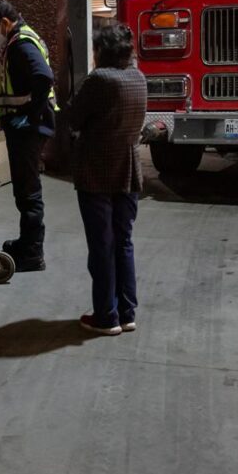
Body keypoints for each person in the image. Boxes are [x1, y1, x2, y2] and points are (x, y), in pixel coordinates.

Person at [66, 23, 147, 335]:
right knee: (123, 241)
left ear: (102, 52)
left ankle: (106, 315)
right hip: (128, 170)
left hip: (96, 171)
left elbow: (73, 115)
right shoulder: (138, 78)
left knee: (102, 245)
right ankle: (126, 312)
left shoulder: (100, 79)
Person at [0, 0, 57, 272]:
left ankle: (33, 254)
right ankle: (27, 243)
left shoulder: (21, 44)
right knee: (25, 190)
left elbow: (44, 77)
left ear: (4, 23)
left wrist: (32, 113)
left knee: (28, 192)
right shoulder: (21, 39)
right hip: (26, 126)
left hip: (28, 128)